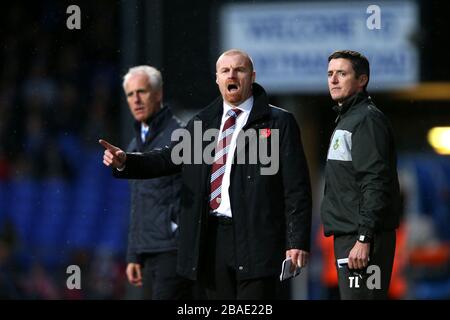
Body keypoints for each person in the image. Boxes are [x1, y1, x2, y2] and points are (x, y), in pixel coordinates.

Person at [100, 49, 312, 299]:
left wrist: (296, 240)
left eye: (239, 69)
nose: (231, 74)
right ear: (217, 78)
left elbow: (296, 187)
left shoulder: (278, 122)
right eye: (225, 70)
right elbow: (168, 158)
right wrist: (126, 161)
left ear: (252, 76)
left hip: (258, 238)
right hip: (211, 240)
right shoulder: (202, 123)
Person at [320, 50, 401, 299]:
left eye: (341, 74)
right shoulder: (349, 119)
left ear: (362, 79)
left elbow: (375, 181)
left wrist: (364, 238)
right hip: (352, 237)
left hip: (363, 241)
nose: (333, 80)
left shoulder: (366, 120)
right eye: (330, 74)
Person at [119, 65, 192, 299]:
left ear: (158, 94)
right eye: (130, 94)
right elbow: (137, 202)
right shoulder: (133, 146)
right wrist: (134, 254)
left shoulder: (181, 136)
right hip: (148, 251)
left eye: (142, 91)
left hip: (174, 250)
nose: (136, 100)